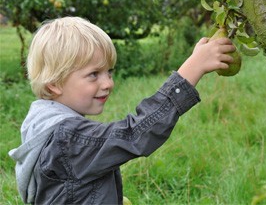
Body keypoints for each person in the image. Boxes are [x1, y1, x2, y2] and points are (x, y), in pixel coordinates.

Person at [8, 16, 235, 204]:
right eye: (93, 74)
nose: (108, 83)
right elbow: (135, 135)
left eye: (109, 72)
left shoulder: (42, 122)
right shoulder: (67, 139)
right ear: (54, 84)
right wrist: (193, 68)